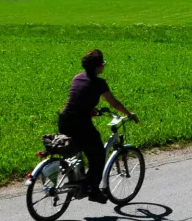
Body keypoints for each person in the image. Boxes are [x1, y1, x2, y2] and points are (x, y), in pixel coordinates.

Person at [58, 50, 138, 204]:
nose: (104, 66)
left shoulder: (77, 78)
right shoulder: (100, 83)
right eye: (103, 64)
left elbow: (77, 99)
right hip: (80, 122)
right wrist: (129, 114)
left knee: (76, 150)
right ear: (98, 67)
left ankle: (78, 182)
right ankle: (93, 190)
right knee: (99, 155)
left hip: (64, 119)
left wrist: (89, 110)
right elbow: (114, 103)